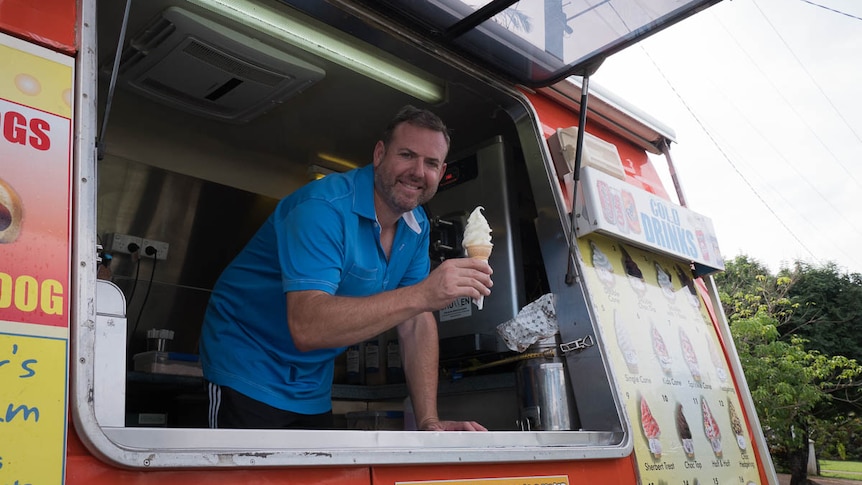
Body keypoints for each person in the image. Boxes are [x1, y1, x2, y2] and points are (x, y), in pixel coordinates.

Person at [199, 105, 492, 431]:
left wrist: (428, 421)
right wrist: (423, 294)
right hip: (247, 365)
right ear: (380, 154)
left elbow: (417, 320)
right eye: (407, 155)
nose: (418, 171)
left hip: (312, 382)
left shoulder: (417, 226)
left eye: (431, 163)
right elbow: (307, 327)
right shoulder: (323, 209)